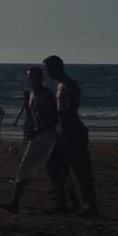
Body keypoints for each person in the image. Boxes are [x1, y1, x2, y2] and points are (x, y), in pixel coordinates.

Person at [1, 66, 61, 214]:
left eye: (34, 76)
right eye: (30, 76)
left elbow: (54, 119)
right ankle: (15, 202)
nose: (32, 79)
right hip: (36, 135)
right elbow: (33, 116)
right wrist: (31, 130)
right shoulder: (32, 94)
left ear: (41, 78)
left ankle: (65, 202)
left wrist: (37, 131)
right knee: (25, 167)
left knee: (51, 168)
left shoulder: (47, 95)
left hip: (47, 135)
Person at [44, 55, 97, 216]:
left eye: (48, 69)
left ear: (55, 68)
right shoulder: (61, 85)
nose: (47, 73)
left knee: (81, 170)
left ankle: (90, 206)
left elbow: (71, 109)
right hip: (63, 131)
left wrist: (53, 114)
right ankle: (65, 203)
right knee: (53, 166)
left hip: (73, 131)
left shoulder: (70, 84)